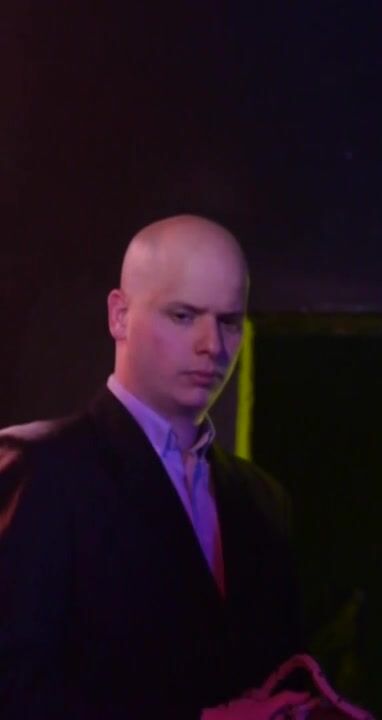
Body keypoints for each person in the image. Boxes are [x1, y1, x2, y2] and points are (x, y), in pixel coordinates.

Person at [0, 215, 310, 719]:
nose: (213, 346)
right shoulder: (42, 467)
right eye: (184, 316)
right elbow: (15, 690)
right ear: (119, 315)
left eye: (229, 321)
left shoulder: (263, 500)